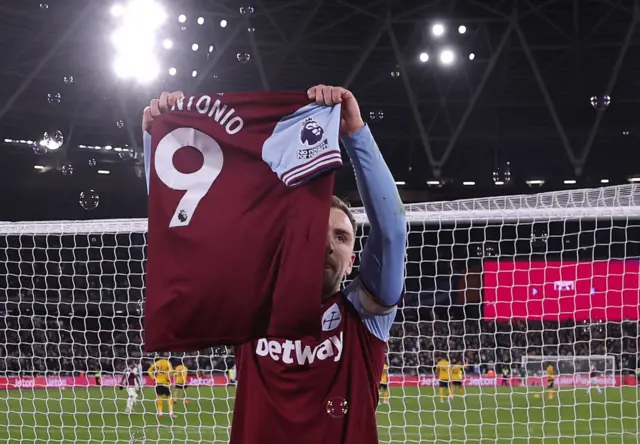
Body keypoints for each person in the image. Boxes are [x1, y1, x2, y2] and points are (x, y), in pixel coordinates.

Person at [142, 84, 406, 443]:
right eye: (314, 230)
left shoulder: (366, 318)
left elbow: (391, 232)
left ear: (352, 263)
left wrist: (355, 134)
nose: (327, 244)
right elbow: (183, 229)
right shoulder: (252, 299)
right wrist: (162, 140)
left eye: (342, 237)